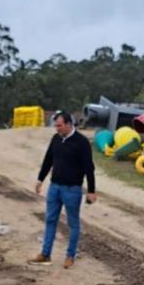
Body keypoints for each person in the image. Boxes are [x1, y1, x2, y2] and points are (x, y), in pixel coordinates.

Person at [29, 111, 96, 269]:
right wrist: (40, 179)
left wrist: (91, 190)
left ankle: (70, 256)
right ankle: (45, 254)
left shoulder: (82, 142)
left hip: (72, 190)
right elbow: (48, 160)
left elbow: (89, 168)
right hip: (54, 187)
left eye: (59, 126)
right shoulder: (56, 139)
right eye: (55, 126)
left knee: (73, 223)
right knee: (50, 220)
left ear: (69, 124)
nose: (57, 129)